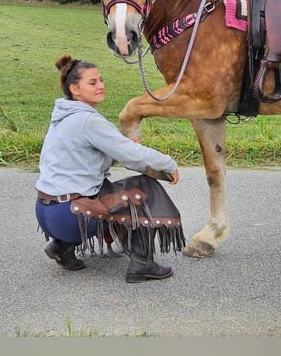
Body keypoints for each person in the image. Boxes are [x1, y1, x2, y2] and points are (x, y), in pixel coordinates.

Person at [35, 54, 183, 282]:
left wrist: (117, 150)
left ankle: (61, 247)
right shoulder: (89, 121)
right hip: (71, 216)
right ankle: (142, 263)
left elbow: (87, 162)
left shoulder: (63, 117)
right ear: (75, 89)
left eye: (101, 80)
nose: (101, 86)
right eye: (92, 83)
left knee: (102, 189)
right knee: (143, 187)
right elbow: (133, 157)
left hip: (47, 212)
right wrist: (168, 164)